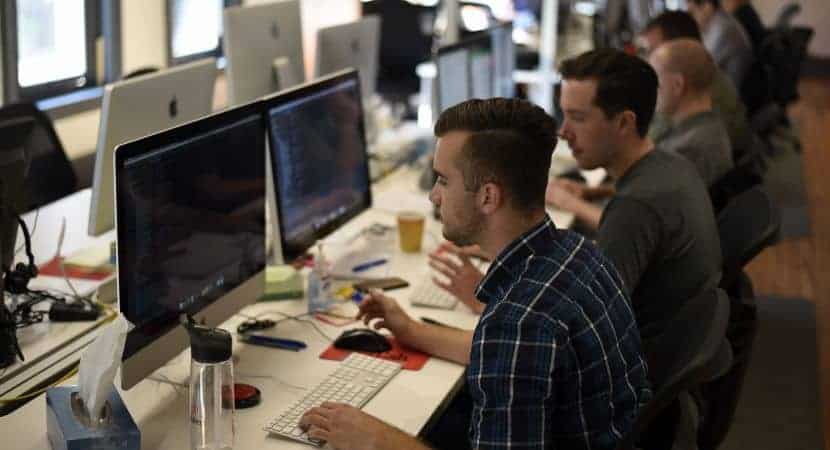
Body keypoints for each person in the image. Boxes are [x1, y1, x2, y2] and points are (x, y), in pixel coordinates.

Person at [300, 98, 650, 450]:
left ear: (487, 197)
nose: (434, 197)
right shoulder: (578, 251)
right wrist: (411, 331)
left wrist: (376, 440)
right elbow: (516, 356)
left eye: (443, 180)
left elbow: (515, 342)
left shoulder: (518, 322)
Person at [548, 49, 722, 343]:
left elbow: (578, 328)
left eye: (577, 118)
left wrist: (496, 298)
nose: (563, 132)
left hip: (630, 365)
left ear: (624, 123)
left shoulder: (635, 208)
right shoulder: (671, 165)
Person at [641, 10, 755, 162]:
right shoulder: (707, 76)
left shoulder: (693, 99)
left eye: (653, 50)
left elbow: (648, 145)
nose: (648, 59)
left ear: (677, 48)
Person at [649, 39, 734, 187]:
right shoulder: (709, 126)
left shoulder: (686, 150)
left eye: (655, 81)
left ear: (677, 85)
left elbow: (643, 207)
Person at [687, 0, 754, 89]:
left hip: (732, 95)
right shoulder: (719, 23)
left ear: (707, 6)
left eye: (692, 12)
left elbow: (700, 70)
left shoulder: (722, 29)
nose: (692, 19)